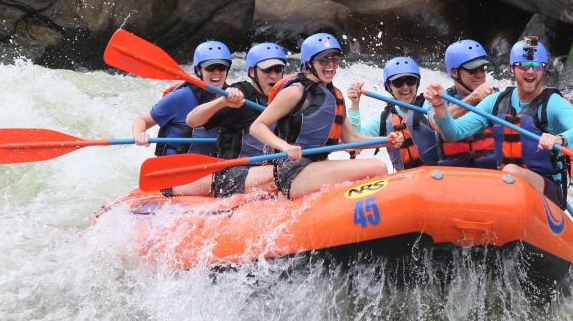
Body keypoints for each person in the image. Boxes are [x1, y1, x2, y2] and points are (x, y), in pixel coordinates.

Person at [424, 36, 573, 207]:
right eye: (524, 65)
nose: (530, 71)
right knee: (502, 175)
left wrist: (559, 139)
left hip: (546, 189)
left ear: (543, 69)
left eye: (537, 66)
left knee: (511, 171)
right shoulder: (497, 101)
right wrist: (440, 108)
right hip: (506, 187)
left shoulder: (554, 102)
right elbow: (454, 133)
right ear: (512, 68)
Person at [250, 33, 404, 199]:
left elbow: (351, 138)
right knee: (378, 167)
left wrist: (385, 141)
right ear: (310, 63)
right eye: (323, 60)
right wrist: (284, 146)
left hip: (318, 166)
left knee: (374, 168)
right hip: (294, 171)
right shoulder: (295, 92)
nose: (330, 65)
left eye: (335, 59)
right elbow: (257, 126)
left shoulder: (336, 95)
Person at [183, 42, 289, 196]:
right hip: (232, 175)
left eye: (278, 70)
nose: (273, 75)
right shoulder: (241, 94)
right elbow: (192, 120)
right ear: (253, 72)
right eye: (267, 70)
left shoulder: (285, 96)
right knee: (287, 174)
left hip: (267, 170)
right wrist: (222, 102)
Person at [132, 40, 233, 195]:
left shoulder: (233, 97)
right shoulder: (182, 96)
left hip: (211, 171)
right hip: (175, 174)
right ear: (199, 70)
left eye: (222, 67)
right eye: (210, 68)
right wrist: (139, 134)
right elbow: (143, 121)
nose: (217, 73)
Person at [346, 56, 438, 171]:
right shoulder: (385, 117)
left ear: (417, 83)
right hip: (405, 179)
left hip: (436, 174)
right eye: (398, 82)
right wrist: (355, 105)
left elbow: (441, 120)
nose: (405, 87)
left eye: (410, 81)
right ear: (389, 86)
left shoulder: (429, 105)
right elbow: (355, 140)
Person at [427, 39, 499, 168]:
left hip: (492, 172)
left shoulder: (499, 97)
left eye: (483, 68)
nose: (480, 74)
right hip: (454, 173)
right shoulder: (438, 99)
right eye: (472, 70)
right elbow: (436, 123)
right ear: (454, 73)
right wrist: (472, 98)